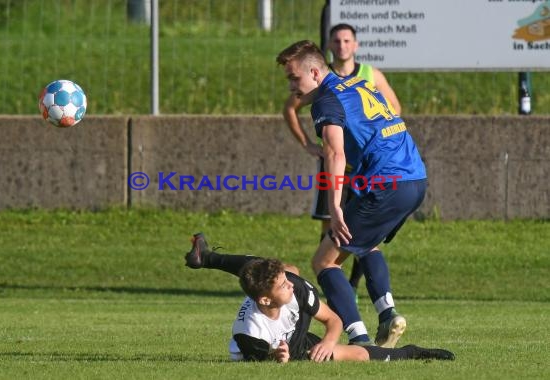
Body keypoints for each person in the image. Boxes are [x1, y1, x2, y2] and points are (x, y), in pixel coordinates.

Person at [276, 41, 427, 348]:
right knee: (364, 244)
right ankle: (387, 315)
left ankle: (360, 338)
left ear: (315, 72)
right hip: (414, 179)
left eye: (294, 78)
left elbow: (335, 153)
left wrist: (334, 207)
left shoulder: (326, 101)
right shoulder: (358, 84)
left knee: (324, 261)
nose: (292, 86)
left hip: (387, 184)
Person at [184, 233, 454, 363]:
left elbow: (332, 320)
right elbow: (266, 363)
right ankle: (411, 353)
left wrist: (328, 340)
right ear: (265, 302)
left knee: (290, 270)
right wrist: (280, 356)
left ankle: (206, 258)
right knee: (359, 355)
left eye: (286, 283)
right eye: (282, 286)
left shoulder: (295, 288)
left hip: (294, 332)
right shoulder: (250, 333)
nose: (290, 285)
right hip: (289, 349)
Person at [282, 23, 402, 298]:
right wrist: (308, 144)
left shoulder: (369, 75)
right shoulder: (319, 80)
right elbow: (290, 108)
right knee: (332, 224)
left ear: (356, 45)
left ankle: (350, 288)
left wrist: (377, 138)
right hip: (337, 167)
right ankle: (339, 285)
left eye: (347, 40)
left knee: (360, 229)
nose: (342, 46)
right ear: (330, 46)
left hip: (364, 166)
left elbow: (394, 108)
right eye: (336, 41)